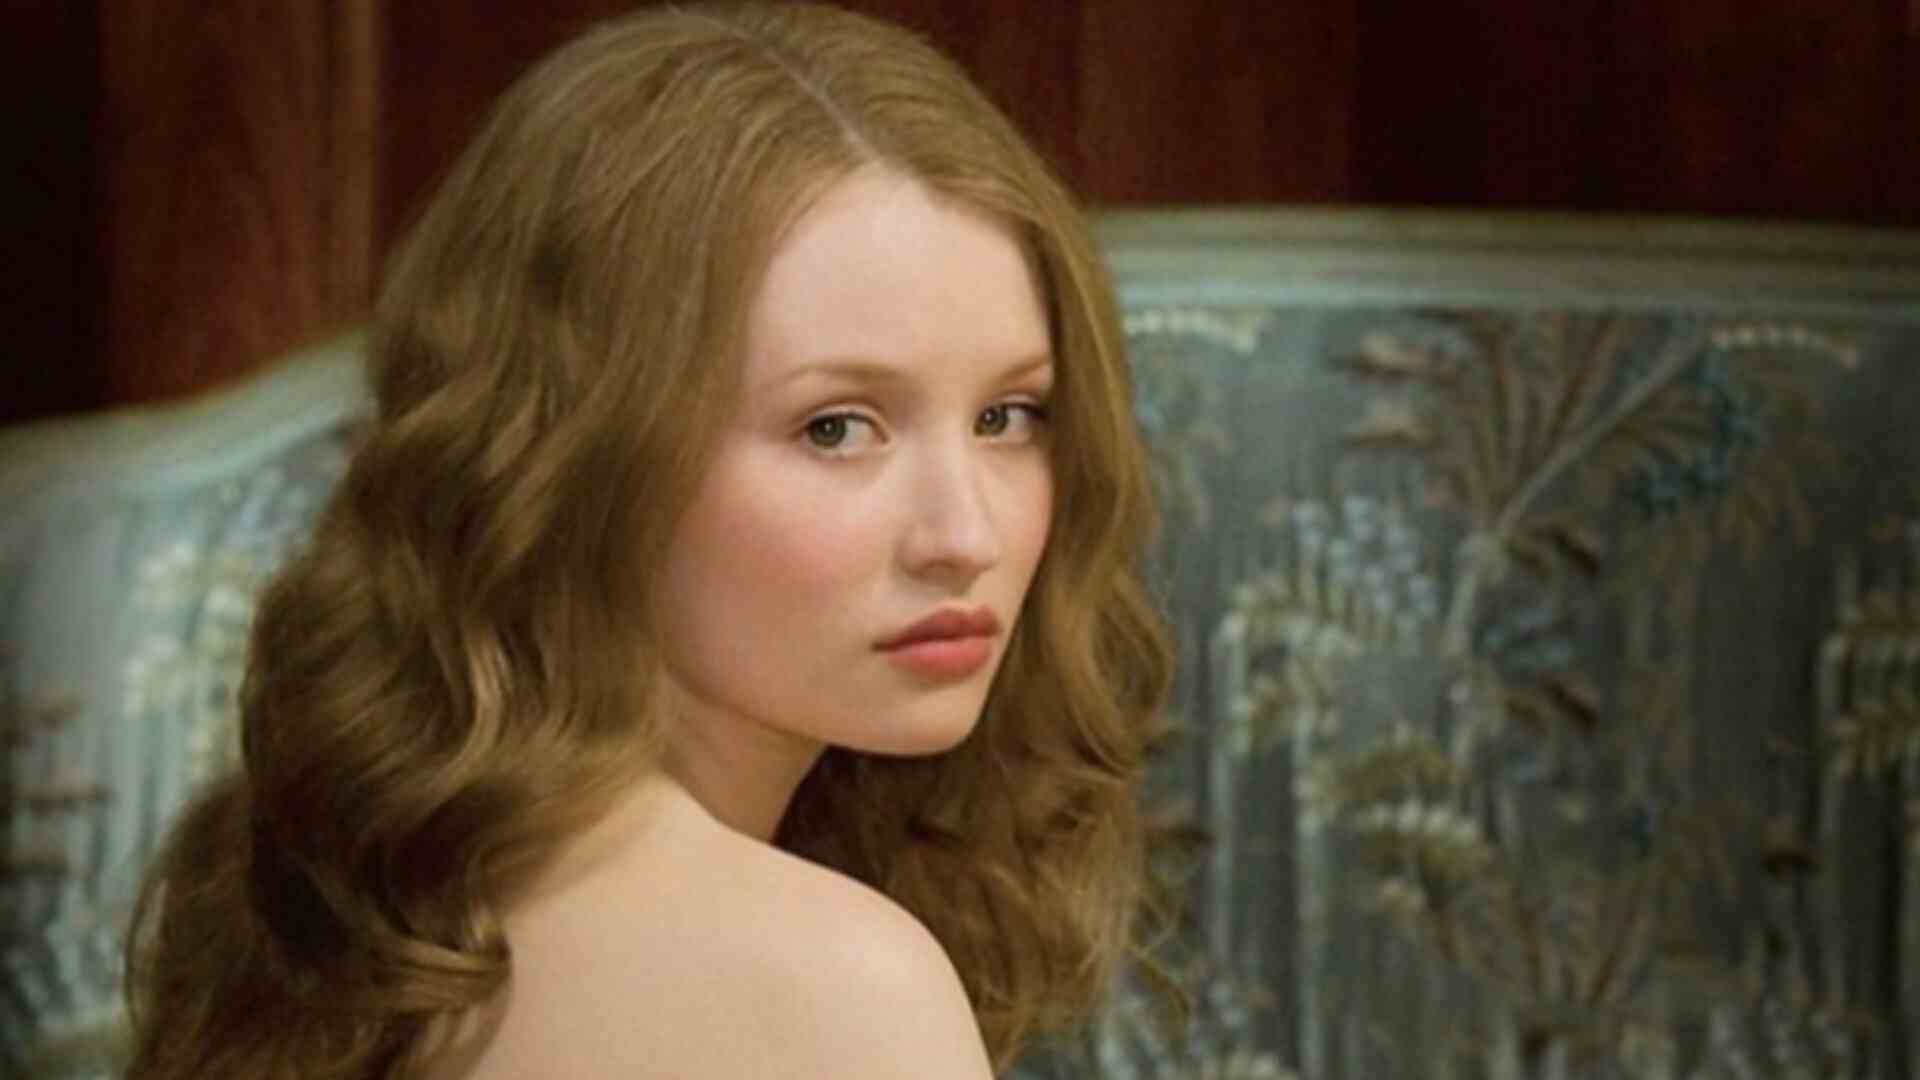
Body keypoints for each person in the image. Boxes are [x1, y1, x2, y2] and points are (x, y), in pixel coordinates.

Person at [124, 3, 1174, 1076]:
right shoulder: (839, 986)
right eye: (836, 428)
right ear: (576, 455)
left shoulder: (406, 883)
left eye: (1009, 416)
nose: (966, 534)